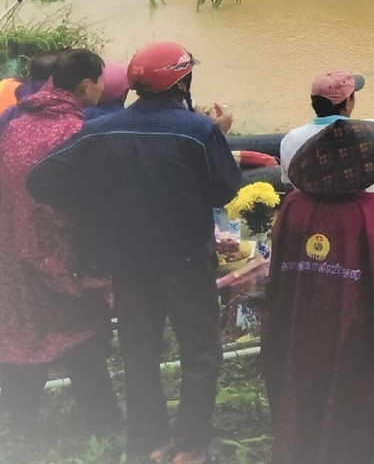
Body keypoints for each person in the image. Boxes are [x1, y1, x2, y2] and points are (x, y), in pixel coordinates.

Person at [27, 41, 241, 464]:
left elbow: (42, 180)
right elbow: (225, 189)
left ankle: (151, 443)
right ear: (183, 81)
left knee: (139, 353)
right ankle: (192, 447)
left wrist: (93, 205)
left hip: (127, 265)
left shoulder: (100, 130)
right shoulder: (199, 130)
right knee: (199, 353)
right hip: (185, 262)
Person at [262, 119, 374, 464]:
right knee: (353, 394)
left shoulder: (293, 205)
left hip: (296, 317)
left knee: (296, 389)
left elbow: (278, 259)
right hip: (355, 320)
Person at [0, 48, 121, 440]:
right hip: (63, 256)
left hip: (11, 254)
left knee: (20, 335)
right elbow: (97, 202)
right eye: (100, 80)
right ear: (86, 86)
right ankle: (103, 425)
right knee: (84, 337)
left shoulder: (15, 123)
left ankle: (20, 426)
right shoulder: (79, 132)